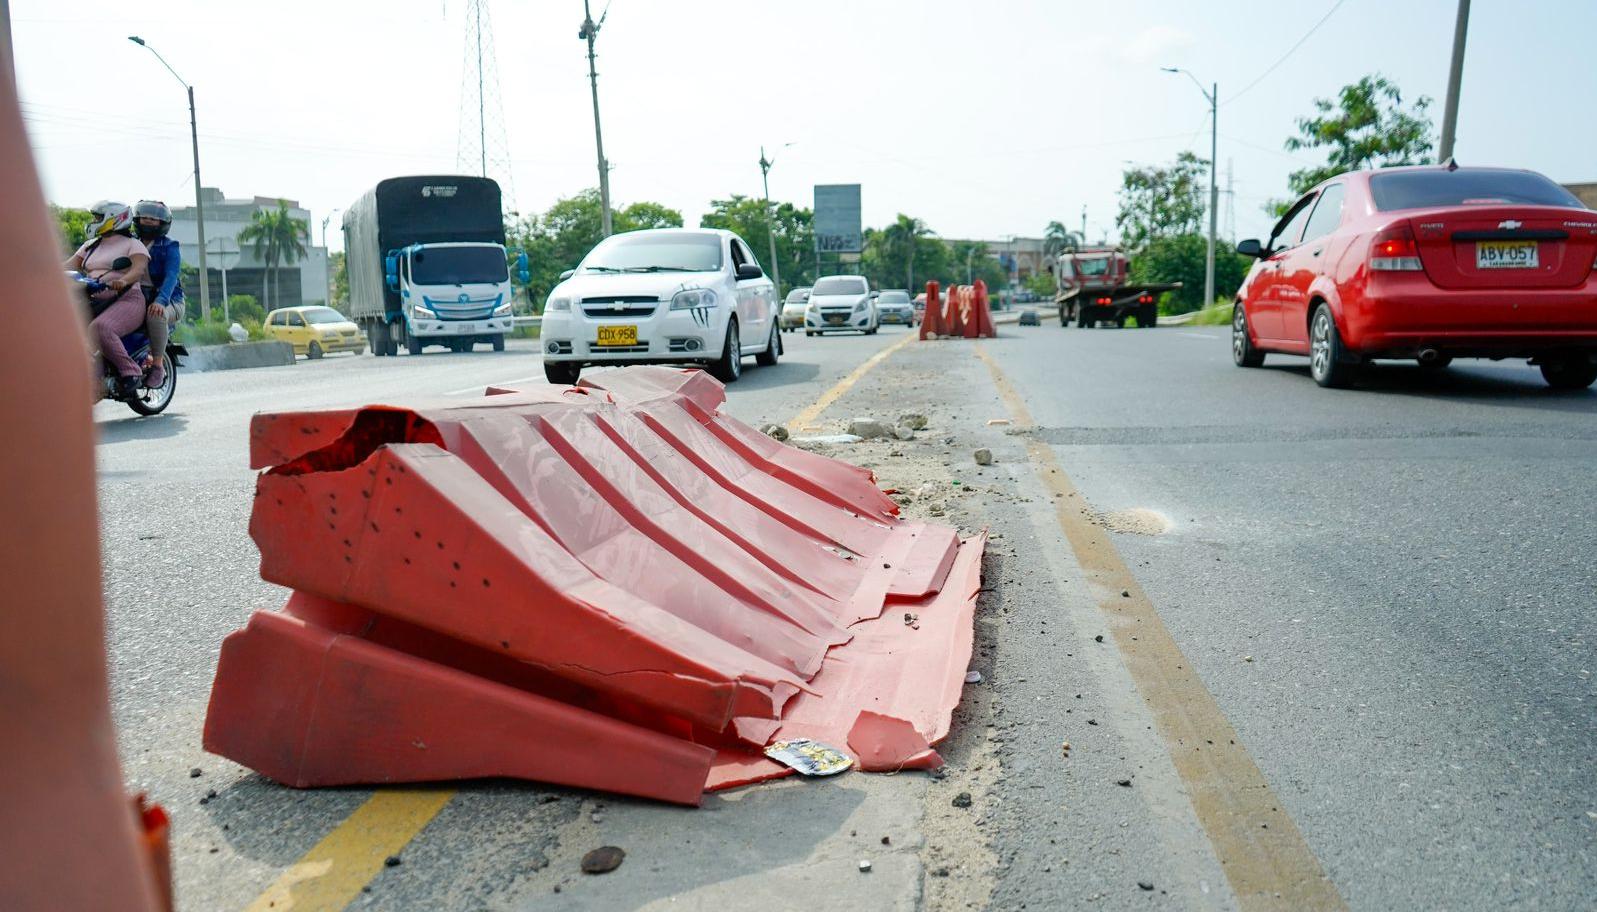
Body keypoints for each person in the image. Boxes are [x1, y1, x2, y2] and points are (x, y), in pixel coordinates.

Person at [65, 200, 149, 399]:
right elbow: (68, 266)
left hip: (127, 299)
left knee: (99, 328)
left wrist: (122, 280)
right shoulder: (91, 246)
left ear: (114, 219)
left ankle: (131, 371)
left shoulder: (132, 244)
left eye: (98, 218)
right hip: (93, 299)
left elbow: (138, 269)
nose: (94, 221)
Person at [132, 200, 183, 388]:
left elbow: (171, 276)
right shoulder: (130, 243)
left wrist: (161, 301)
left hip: (171, 300)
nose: (147, 222)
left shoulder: (170, 246)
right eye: (144, 218)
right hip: (137, 297)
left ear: (162, 223)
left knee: (156, 316)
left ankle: (158, 366)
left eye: (153, 220)